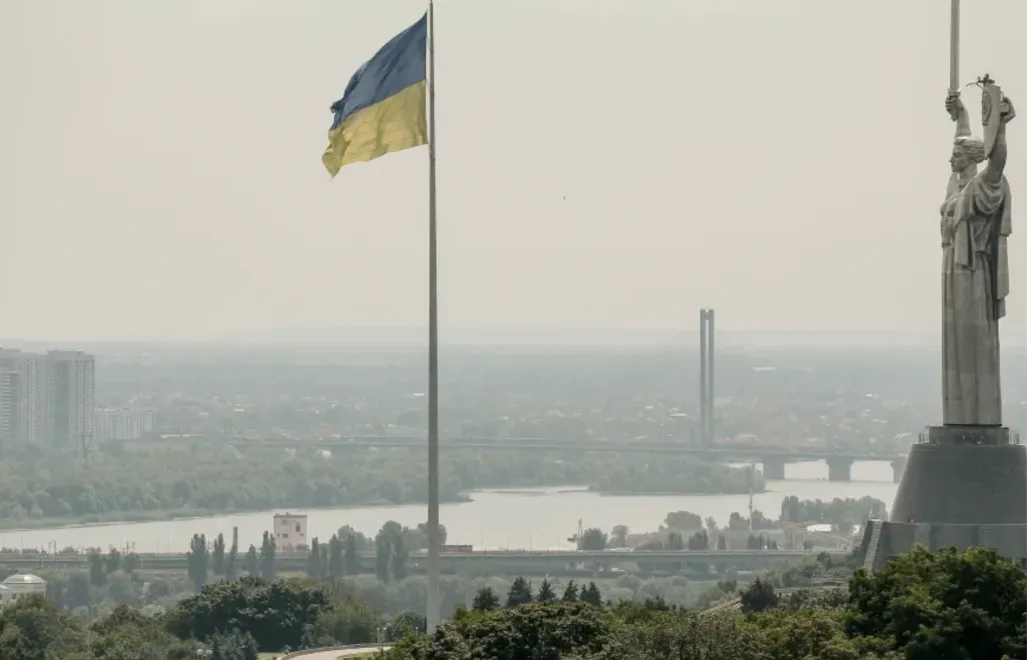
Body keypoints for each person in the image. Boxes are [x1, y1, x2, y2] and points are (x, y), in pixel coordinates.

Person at [939, 90, 1015, 427]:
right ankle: (959, 417)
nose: (950, 159)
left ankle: (977, 418)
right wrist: (963, 116)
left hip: (972, 274)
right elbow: (963, 140)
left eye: (956, 155)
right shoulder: (956, 186)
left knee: (974, 343)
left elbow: (996, 161)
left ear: (970, 158)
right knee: (955, 345)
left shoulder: (982, 186)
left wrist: (1000, 128)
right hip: (952, 272)